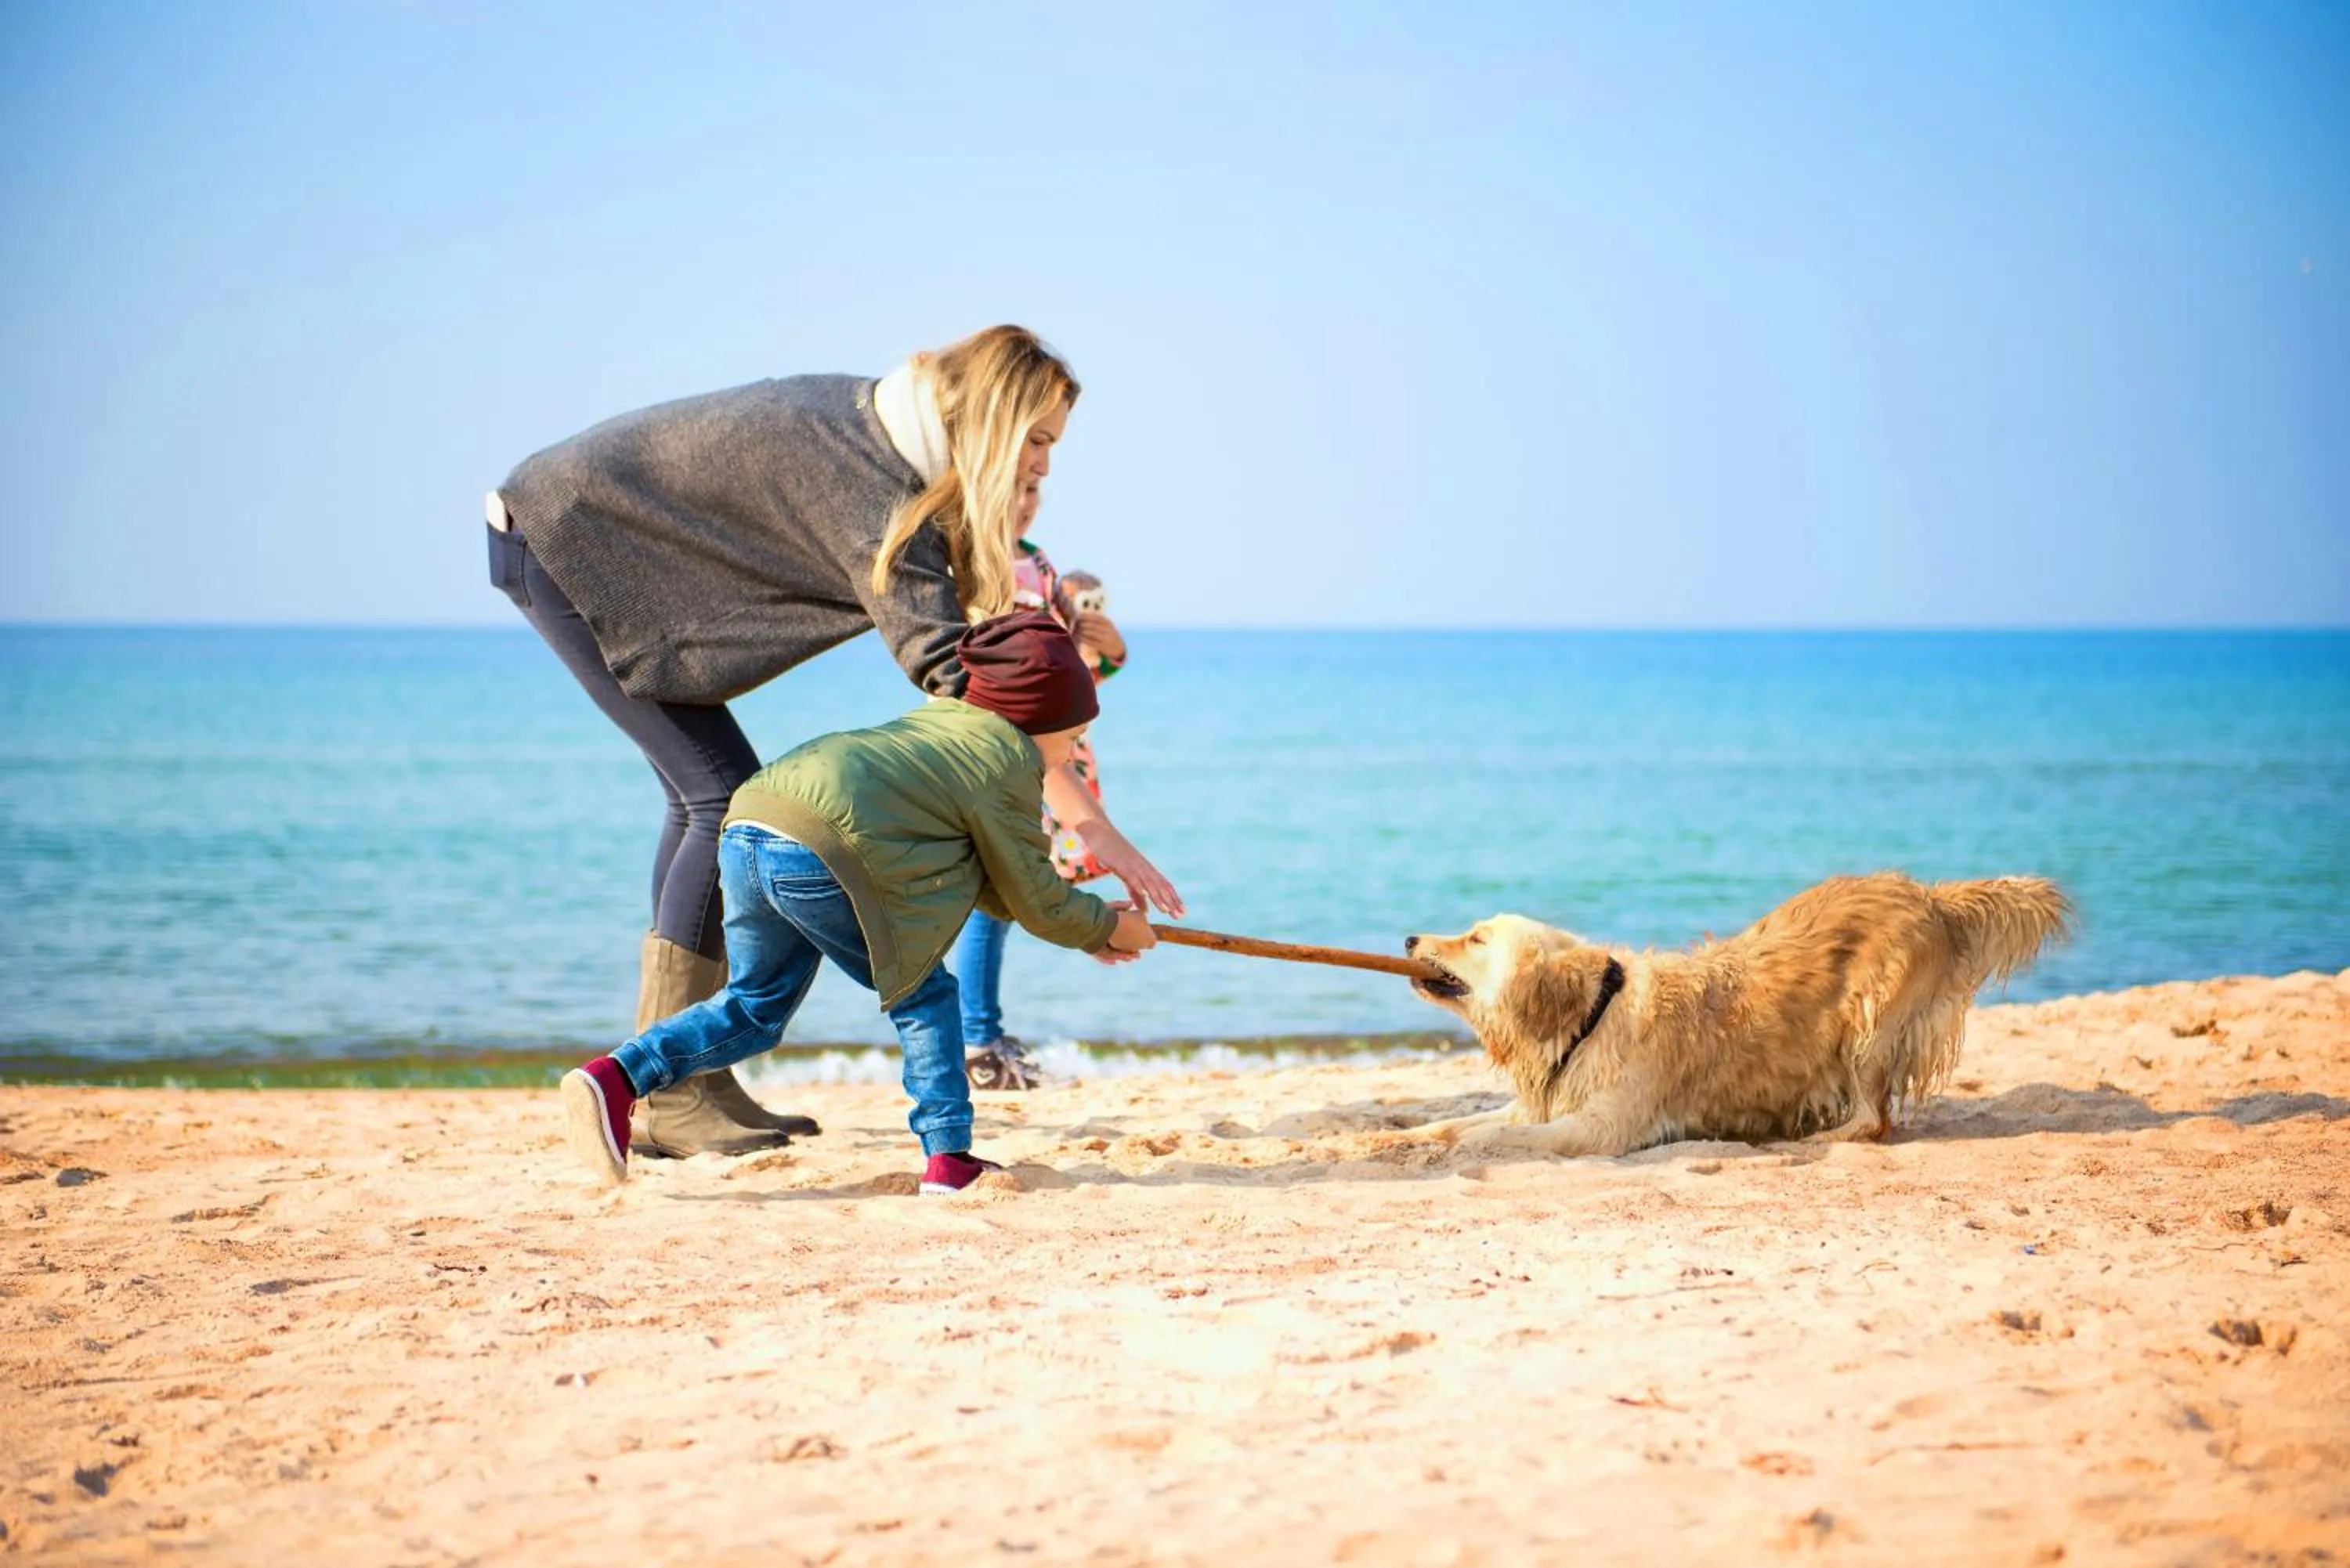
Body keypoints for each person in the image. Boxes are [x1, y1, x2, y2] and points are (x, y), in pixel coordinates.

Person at [486, 326, 1184, 1158]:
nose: (1044, 465)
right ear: (992, 421)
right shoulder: (876, 487)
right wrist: (1087, 828)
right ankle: (671, 1094)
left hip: (587, 534)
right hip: (570, 540)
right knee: (717, 793)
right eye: (1036, 439)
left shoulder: (890, 440)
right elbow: (965, 689)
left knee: (707, 793)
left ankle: (689, 1084)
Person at [559, 611, 1158, 1193]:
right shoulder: (1006, 762)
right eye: (1074, 735)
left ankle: (617, 1075)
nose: (1075, 749)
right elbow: (1037, 897)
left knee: (756, 1004)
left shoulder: (948, 725)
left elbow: (995, 884)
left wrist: (1096, 929)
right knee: (924, 992)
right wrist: (1103, 926)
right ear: (1041, 718)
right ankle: (950, 1160)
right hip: (823, 843)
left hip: (752, 818)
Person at [951, 548, 1126, 1089]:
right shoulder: (1035, 650)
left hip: (1058, 777)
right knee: (992, 905)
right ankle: (978, 1041)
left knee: (1003, 904)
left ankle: (984, 1034)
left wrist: (1108, 639)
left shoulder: (1071, 651)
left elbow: (1108, 666)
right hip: (1031, 774)